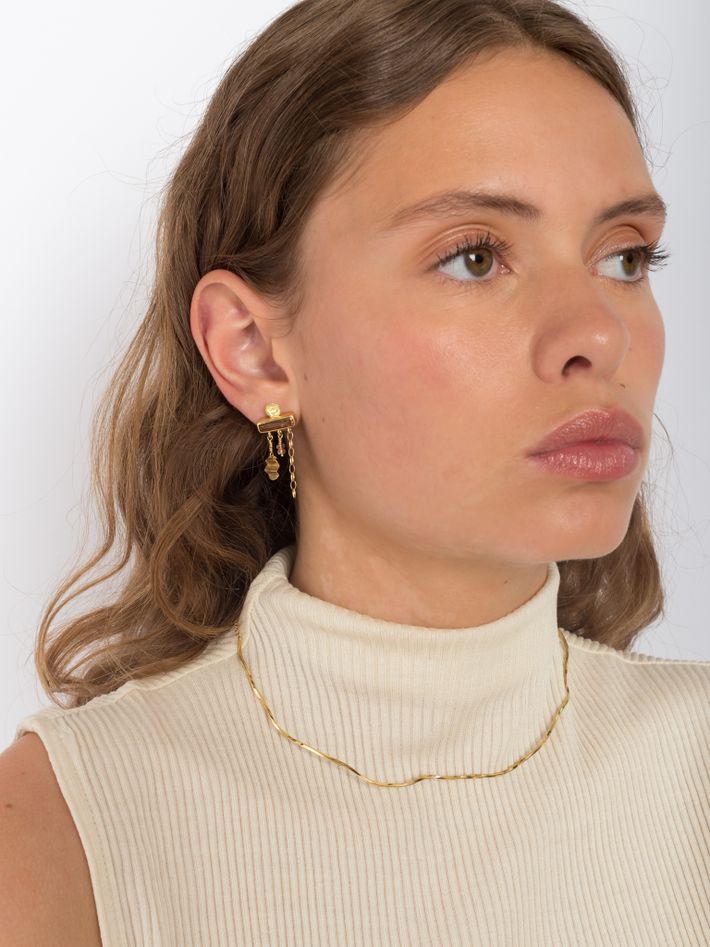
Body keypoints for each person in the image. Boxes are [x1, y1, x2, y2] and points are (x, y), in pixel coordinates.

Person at [2, 0, 708, 943]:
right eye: (475, 257)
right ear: (254, 349)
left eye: (624, 257)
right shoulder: (64, 829)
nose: (600, 333)